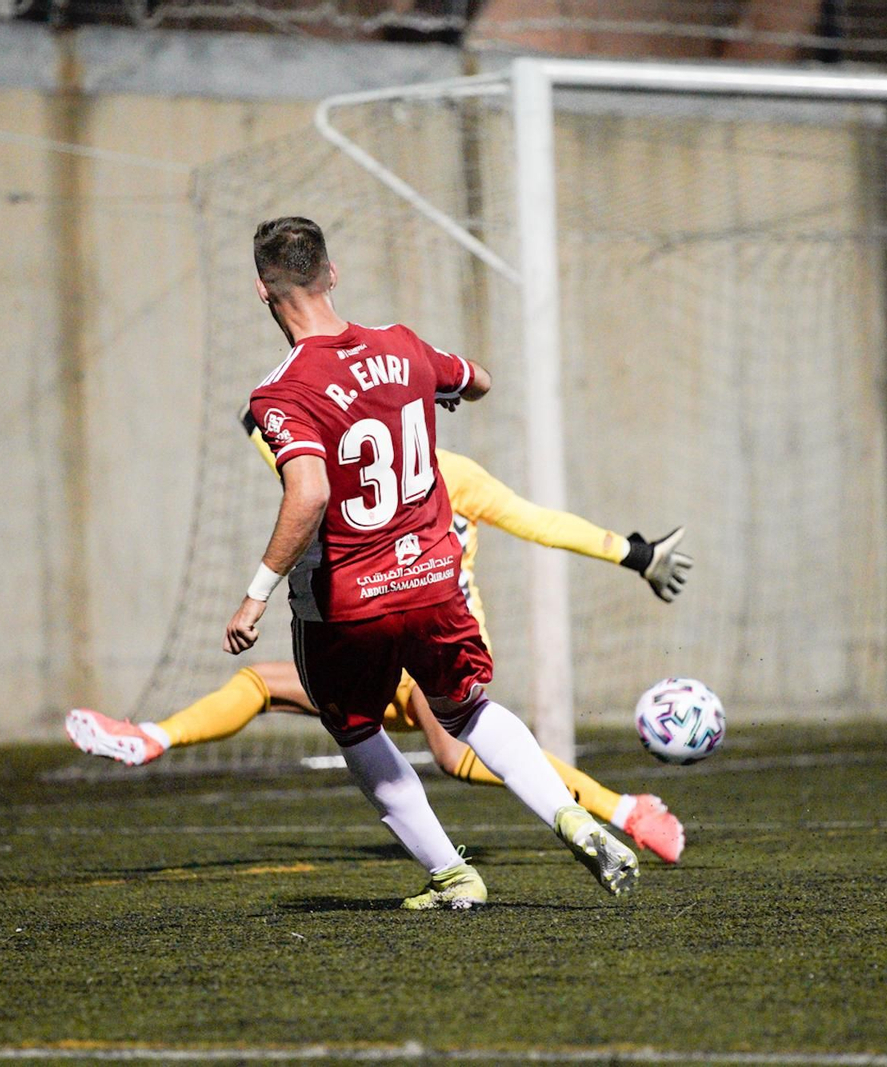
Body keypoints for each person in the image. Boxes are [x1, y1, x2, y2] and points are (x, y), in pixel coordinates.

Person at [223, 215, 639, 909]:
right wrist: (441, 387)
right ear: (332, 274)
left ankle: (452, 873)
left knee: (355, 728)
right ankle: (569, 815)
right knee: (470, 711)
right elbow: (477, 379)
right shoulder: (405, 345)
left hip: (349, 603)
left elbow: (311, 488)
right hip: (436, 579)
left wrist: (256, 592)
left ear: (264, 293)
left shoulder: (280, 391)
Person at [67, 431, 693, 863]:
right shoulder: (362, 466)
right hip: (377, 636)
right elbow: (536, 521)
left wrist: (634, 553)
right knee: (260, 684)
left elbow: (538, 521)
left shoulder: (428, 471)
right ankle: (151, 738)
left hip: (430, 639)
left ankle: (620, 811)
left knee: (452, 752)